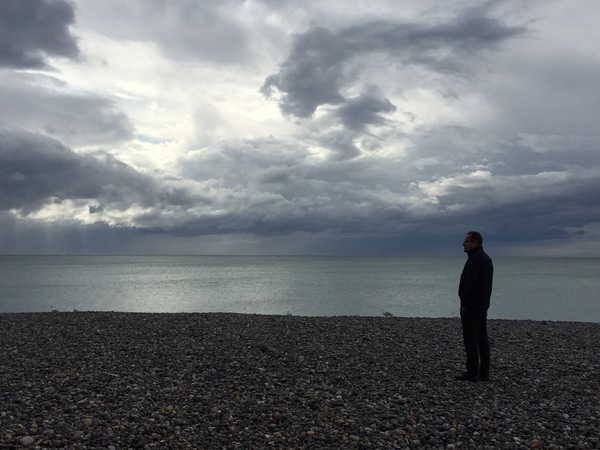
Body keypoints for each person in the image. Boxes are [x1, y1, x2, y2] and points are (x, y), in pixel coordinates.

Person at [456, 231, 493, 382]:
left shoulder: (475, 260)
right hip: (482, 305)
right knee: (481, 337)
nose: (463, 243)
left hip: (472, 306)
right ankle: (484, 372)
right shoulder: (485, 259)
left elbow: (470, 285)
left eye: (466, 241)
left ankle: (472, 372)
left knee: (471, 338)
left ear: (475, 243)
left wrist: (464, 303)